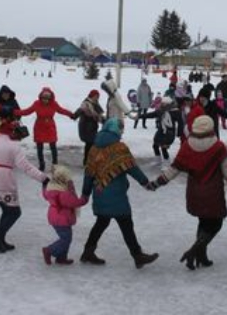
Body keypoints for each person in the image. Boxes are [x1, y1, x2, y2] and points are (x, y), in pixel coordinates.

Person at [148, 116, 227, 270]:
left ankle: (201, 255)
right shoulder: (218, 147)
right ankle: (194, 251)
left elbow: (174, 169)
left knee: (203, 221)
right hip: (213, 193)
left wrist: (158, 182)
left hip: (194, 192)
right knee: (216, 223)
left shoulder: (186, 146)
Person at [80, 118, 159, 268]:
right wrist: (145, 182)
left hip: (99, 193)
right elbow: (132, 168)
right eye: (121, 128)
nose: (122, 131)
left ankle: (87, 252)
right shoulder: (119, 147)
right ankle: (137, 255)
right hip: (117, 195)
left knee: (101, 223)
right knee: (126, 223)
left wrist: (85, 193)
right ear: (115, 129)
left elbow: (89, 173)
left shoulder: (94, 148)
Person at [0, 120, 48, 253]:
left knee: (7, 211)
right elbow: (26, 167)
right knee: (14, 212)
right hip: (4, 182)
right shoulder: (13, 146)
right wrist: (43, 178)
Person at [15, 87, 75, 172]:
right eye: (43, 98)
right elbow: (27, 111)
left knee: (53, 146)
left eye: (47, 99)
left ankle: (55, 164)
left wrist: (71, 115)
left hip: (50, 127)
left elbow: (62, 110)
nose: (45, 100)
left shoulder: (54, 104)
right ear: (41, 97)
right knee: (40, 147)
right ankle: (41, 164)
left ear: (50, 98)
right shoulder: (36, 104)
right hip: (39, 127)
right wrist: (14, 112)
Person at [42, 165, 88, 265]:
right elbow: (74, 202)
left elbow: (44, 194)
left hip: (54, 216)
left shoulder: (50, 189)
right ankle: (49, 250)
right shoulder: (63, 193)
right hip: (61, 217)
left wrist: (44, 185)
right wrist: (84, 199)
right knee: (66, 239)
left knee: (66, 237)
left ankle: (61, 258)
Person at [73, 90, 105, 166]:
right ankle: (87, 161)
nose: (97, 98)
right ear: (92, 96)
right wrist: (74, 115)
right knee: (90, 144)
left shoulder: (96, 104)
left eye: (98, 97)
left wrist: (105, 121)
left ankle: (88, 160)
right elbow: (79, 111)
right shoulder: (86, 103)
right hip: (86, 127)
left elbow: (99, 115)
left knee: (91, 144)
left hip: (92, 127)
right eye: (96, 96)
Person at [141, 97, 177, 163]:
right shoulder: (160, 111)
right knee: (155, 146)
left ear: (168, 104)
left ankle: (167, 163)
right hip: (161, 132)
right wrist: (140, 116)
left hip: (169, 133)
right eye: (162, 103)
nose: (162, 104)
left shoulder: (174, 112)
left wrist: (178, 133)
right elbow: (150, 115)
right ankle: (158, 160)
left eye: (164, 103)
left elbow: (179, 123)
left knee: (164, 148)